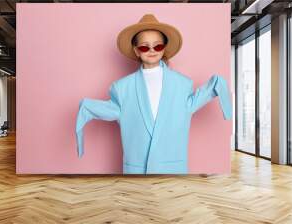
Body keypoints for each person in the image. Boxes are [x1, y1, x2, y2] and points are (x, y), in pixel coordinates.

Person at [75, 14, 232, 174]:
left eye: (157, 46)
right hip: (137, 173)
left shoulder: (182, 84)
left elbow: (199, 98)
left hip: (173, 171)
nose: (151, 51)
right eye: (144, 47)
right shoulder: (122, 88)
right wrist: (86, 107)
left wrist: (217, 86)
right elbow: (110, 110)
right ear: (136, 50)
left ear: (163, 48)